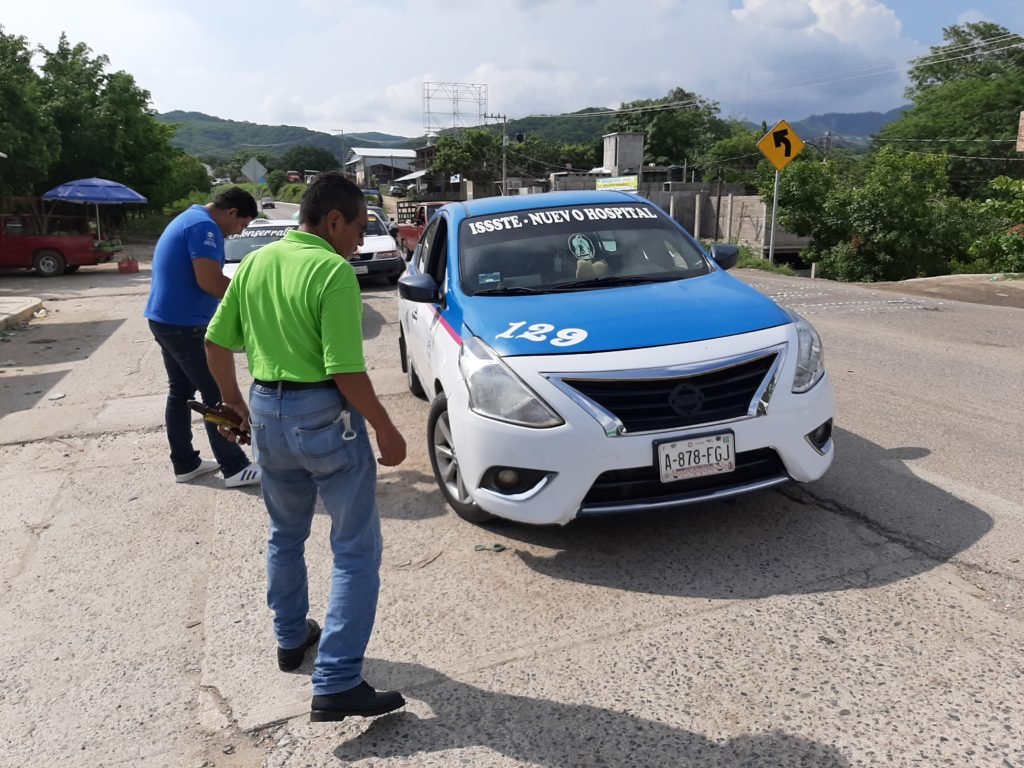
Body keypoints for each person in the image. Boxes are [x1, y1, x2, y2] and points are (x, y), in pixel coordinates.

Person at [204, 173, 408, 723]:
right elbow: (345, 370)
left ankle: (291, 638)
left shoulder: (256, 263)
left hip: (266, 413)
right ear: (333, 220)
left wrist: (232, 403)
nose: (359, 243)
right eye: (359, 229)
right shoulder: (331, 270)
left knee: (285, 533)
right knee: (355, 549)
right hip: (322, 418)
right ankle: (338, 681)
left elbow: (216, 341)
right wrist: (386, 427)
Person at [144, 187, 262, 488]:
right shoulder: (204, 227)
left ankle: (185, 463)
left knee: (180, 392)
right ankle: (234, 467)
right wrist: (255, 303)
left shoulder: (191, 218)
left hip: (166, 319)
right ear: (231, 212)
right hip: (185, 325)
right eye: (242, 224)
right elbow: (210, 282)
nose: (239, 232)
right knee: (217, 392)